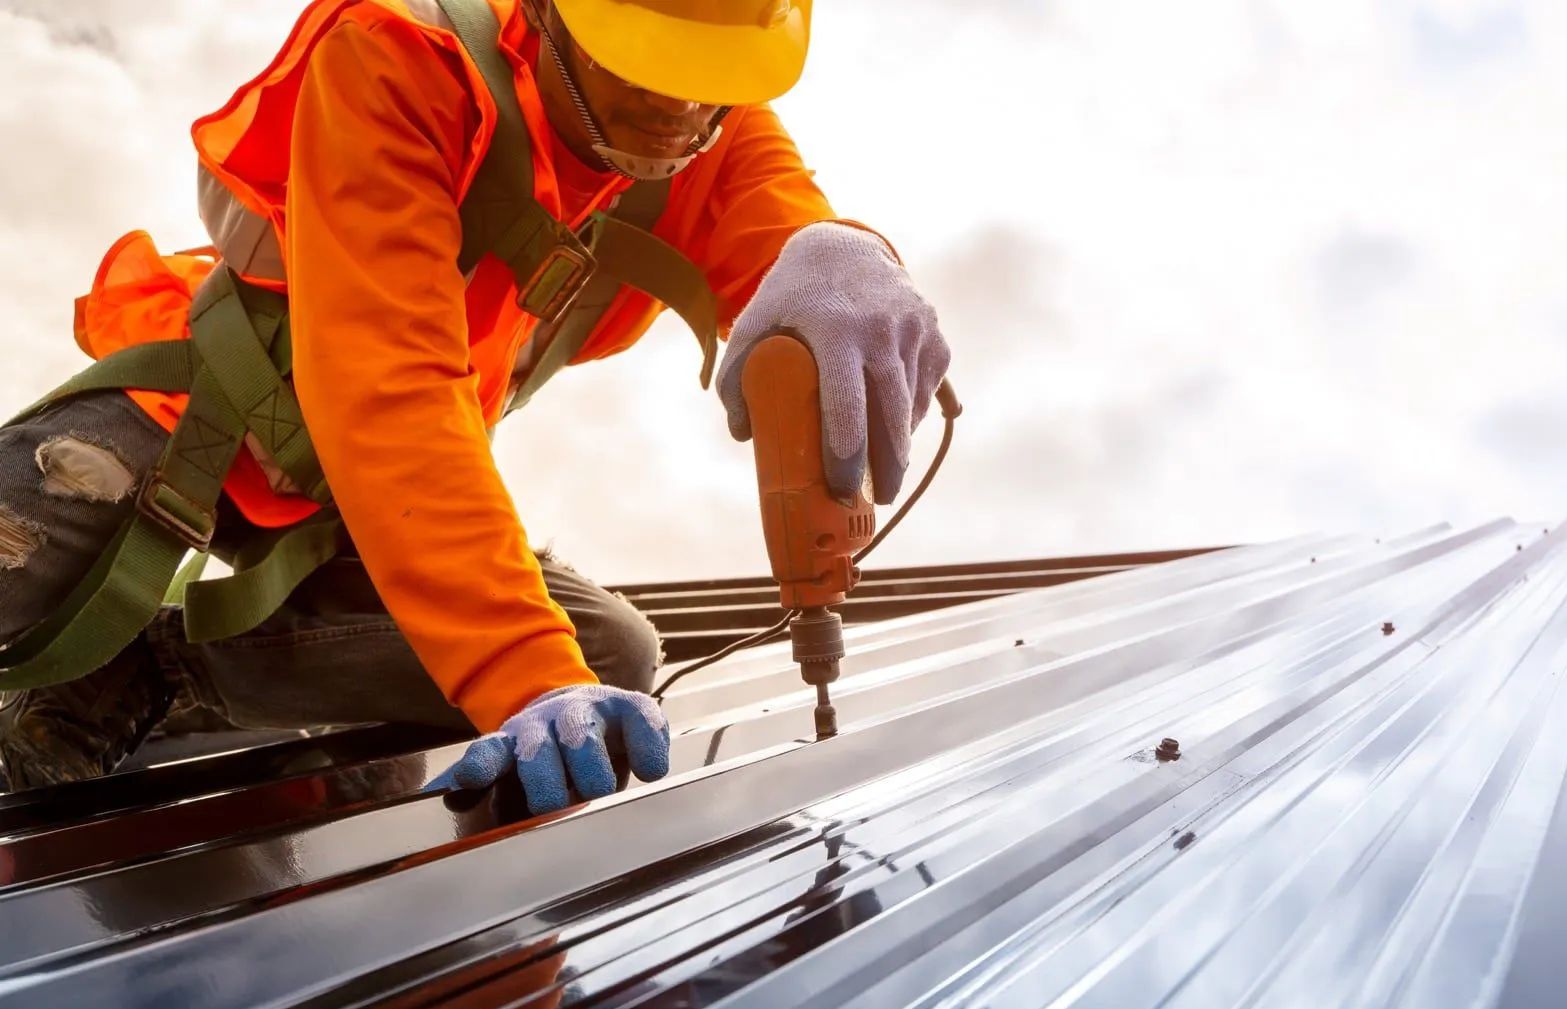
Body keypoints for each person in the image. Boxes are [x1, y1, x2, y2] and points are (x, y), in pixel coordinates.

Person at [0, 0, 950, 815]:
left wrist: (842, 255)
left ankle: (155, 665)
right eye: (645, 70)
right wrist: (521, 675)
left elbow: (779, 224)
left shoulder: (709, 127)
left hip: (364, 515)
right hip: (202, 422)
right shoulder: (403, 56)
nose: (680, 109)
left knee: (610, 654)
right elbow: (391, 387)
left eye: (709, 82)